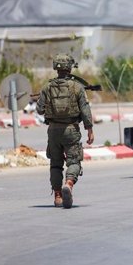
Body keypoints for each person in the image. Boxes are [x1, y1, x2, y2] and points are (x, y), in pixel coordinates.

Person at [36, 54, 94, 209]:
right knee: (74, 161)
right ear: (69, 68)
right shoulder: (77, 87)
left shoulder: (47, 87)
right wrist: (89, 129)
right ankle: (68, 184)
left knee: (55, 164)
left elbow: (39, 110)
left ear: (56, 67)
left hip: (53, 131)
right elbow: (85, 110)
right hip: (71, 129)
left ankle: (58, 196)